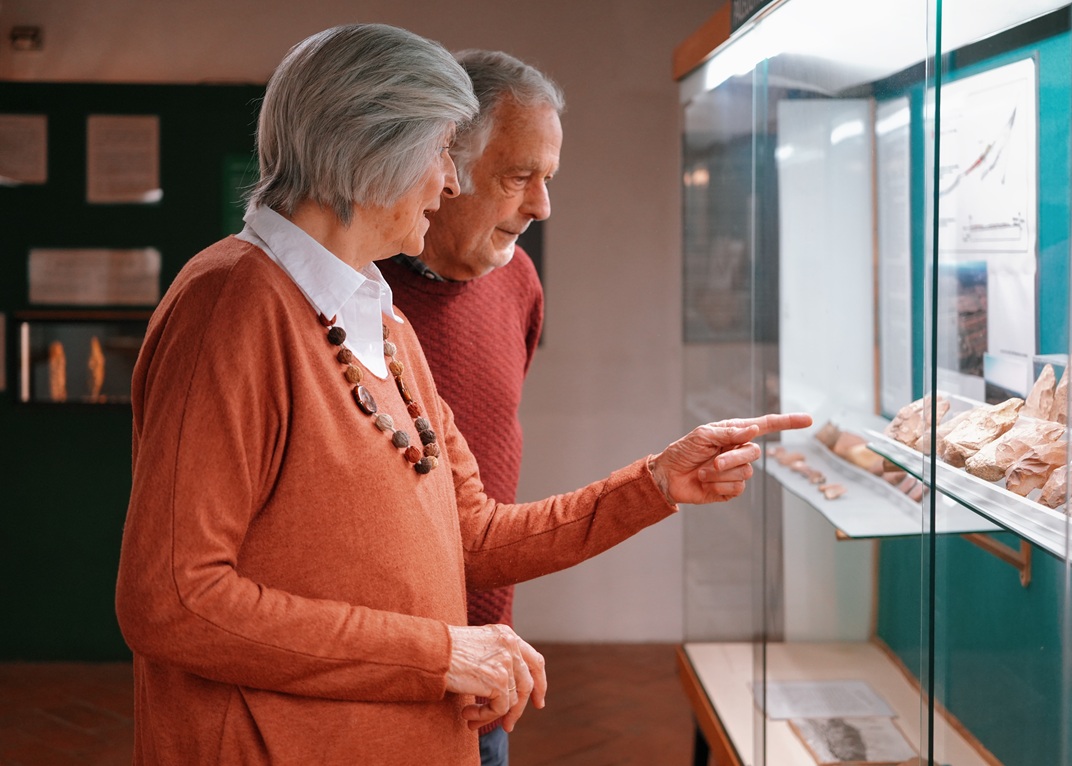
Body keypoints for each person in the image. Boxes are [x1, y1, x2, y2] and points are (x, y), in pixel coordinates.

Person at [114, 23, 813, 766]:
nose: (450, 183)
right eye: (443, 151)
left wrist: (656, 483)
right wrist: (441, 654)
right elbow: (173, 601)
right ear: (370, 148)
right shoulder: (231, 306)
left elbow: (471, 536)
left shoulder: (381, 320)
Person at [375, 49, 560, 766]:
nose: (542, 207)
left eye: (548, 179)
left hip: (486, 668)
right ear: (442, 164)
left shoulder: (520, 284)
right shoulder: (354, 291)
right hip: (385, 677)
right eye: (520, 178)